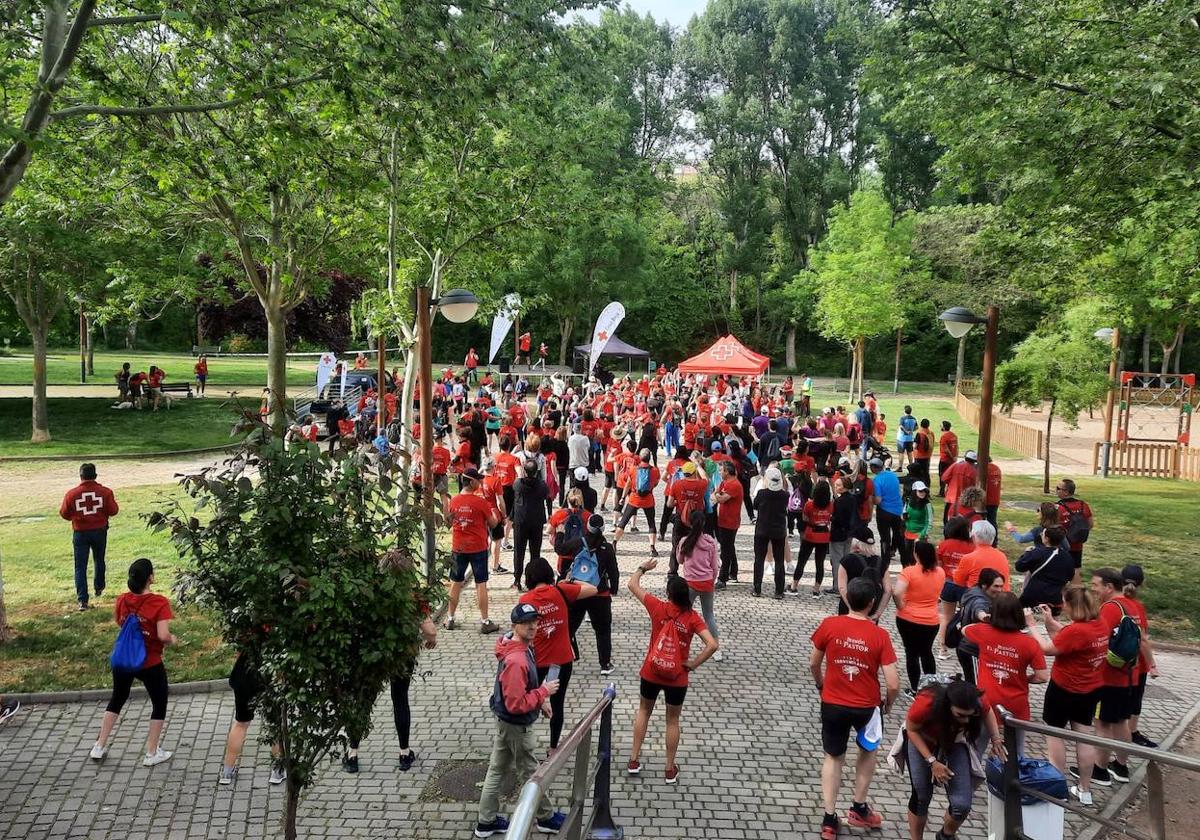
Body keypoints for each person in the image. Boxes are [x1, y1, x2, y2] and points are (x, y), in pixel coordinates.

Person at [810, 577, 900, 839]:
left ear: (847, 598)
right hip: (867, 706)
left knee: (833, 757)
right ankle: (859, 808)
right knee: (867, 753)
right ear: (872, 603)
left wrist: (821, 685)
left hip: (833, 703)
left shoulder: (829, 624)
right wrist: (887, 704)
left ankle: (829, 819)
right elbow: (893, 683)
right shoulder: (879, 635)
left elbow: (814, 663)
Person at [473, 604, 565, 838]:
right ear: (515, 625)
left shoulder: (517, 646)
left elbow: (521, 690)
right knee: (531, 774)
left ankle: (486, 821)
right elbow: (516, 703)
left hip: (506, 722)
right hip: (516, 725)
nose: (533, 626)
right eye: (527, 622)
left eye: (535, 621)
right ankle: (545, 817)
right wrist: (542, 693)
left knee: (497, 769)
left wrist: (539, 700)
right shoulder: (517, 660)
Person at [626, 558, 719, 783]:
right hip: (677, 677)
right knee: (672, 721)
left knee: (643, 711)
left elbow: (631, 585)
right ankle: (669, 768)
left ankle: (634, 760)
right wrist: (693, 664)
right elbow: (712, 644)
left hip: (651, 671)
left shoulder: (658, 607)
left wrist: (642, 568)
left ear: (668, 594)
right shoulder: (692, 618)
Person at [1025, 585, 1108, 805]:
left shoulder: (1077, 631)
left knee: (1055, 735)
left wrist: (1032, 625)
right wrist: (1050, 622)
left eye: (1065, 603)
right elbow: (1071, 640)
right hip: (1090, 690)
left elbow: (1047, 648)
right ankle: (1085, 789)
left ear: (1073, 606)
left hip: (1063, 690)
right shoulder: (1099, 625)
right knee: (1083, 736)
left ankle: (1057, 785)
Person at [88, 558, 176, 766]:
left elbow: (120, 621)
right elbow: (163, 635)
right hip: (150, 661)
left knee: (117, 698)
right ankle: (152, 752)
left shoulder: (122, 600)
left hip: (124, 659)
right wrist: (172, 639)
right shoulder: (159, 603)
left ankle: (99, 746)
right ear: (151, 578)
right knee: (159, 702)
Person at [904, 679, 1005, 840]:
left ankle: (945, 835)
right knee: (921, 795)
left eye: (969, 716)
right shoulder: (927, 702)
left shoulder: (977, 699)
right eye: (960, 715)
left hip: (954, 743)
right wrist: (932, 761)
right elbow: (911, 729)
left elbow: (988, 711)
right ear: (947, 705)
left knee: (962, 804)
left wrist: (996, 738)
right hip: (922, 741)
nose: (965, 720)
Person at [519, 558, 597, 751]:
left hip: (536, 662)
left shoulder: (526, 600)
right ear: (549, 574)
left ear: (529, 578)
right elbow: (592, 588)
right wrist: (569, 582)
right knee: (558, 703)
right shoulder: (562, 591)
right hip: (562, 661)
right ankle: (553, 747)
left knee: (527, 700)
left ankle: (522, 742)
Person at [1090, 566, 1157, 786]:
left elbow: (1098, 639)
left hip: (1109, 677)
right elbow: (1142, 639)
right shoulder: (1134, 606)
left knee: (1102, 725)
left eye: (1096, 585)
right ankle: (1121, 766)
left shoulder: (1110, 608)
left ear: (1109, 587)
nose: (1094, 590)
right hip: (1131, 675)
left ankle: (1099, 771)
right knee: (1121, 723)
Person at [962, 591, 1048, 749]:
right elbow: (1042, 676)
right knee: (1016, 751)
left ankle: (973, 773)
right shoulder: (1029, 644)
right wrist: (1024, 678)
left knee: (976, 748)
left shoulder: (983, 632)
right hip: (1016, 702)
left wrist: (988, 620)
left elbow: (965, 629)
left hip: (986, 700)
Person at [445, 468, 501, 633]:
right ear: (470, 482)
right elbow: (493, 524)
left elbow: (449, 522)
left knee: (456, 582)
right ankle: (485, 621)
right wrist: (494, 514)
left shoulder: (453, 501)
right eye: (478, 480)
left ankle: (450, 618)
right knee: (480, 583)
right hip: (478, 548)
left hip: (458, 548)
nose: (481, 482)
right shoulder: (480, 502)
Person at [218, 650, 286, 785]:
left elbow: (238, 651)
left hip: (243, 675)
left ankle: (227, 772)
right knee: (275, 724)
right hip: (268, 677)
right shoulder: (274, 631)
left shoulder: (244, 629)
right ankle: (277, 771)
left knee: (240, 723)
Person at [60, 463, 119, 611]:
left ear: (81, 477)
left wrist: (77, 518)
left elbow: (64, 513)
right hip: (99, 531)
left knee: (80, 566)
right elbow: (113, 510)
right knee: (99, 560)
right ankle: (99, 587)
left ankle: (82, 601)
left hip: (80, 533)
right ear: (95, 476)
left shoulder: (71, 494)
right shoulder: (105, 492)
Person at [568, 515, 620, 675]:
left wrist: (562, 534)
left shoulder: (578, 543)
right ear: (603, 529)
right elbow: (614, 572)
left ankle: (571, 654)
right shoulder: (608, 548)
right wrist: (613, 589)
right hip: (600, 593)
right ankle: (605, 664)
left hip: (579, 591)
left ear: (587, 527)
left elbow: (560, 550)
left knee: (569, 627)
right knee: (603, 630)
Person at [893, 541, 945, 696]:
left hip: (908, 619)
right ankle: (931, 688)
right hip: (931, 620)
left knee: (912, 653)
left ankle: (914, 689)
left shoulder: (909, 572)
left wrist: (900, 606)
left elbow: (897, 593)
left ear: (916, 554)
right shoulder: (940, 572)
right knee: (926, 652)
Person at [678, 510, 722, 662]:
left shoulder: (685, 541)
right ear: (704, 524)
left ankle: (680, 645)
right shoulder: (711, 543)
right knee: (709, 615)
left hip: (690, 583)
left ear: (689, 522)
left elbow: (679, 560)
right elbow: (715, 567)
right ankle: (715, 648)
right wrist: (712, 579)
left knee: (684, 614)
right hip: (707, 583)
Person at [953, 568, 1006, 683]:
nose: (1000, 590)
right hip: (972, 650)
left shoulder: (972, 591)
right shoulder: (980, 600)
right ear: (984, 585)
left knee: (973, 683)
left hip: (966, 647)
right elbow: (979, 610)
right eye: (996, 586)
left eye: (1001, 586)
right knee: (976, 687)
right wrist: (986, 617)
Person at [659, 460, 709, 576]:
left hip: (681, 518)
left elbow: (669, 504)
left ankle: (672, 571)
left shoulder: (677, 484)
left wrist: (680, 502)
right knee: (697, 544)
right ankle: (696, 570)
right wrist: (698, 466)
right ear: (694, 472)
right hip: (696, 519)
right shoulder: (701, 484)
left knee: (675, 545)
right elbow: (705, 477)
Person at [936, 517, 975, 659]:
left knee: (946, 616)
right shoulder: (971, 546)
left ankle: (942, 648)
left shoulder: (943, 545)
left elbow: (939, 566)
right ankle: (965, 647)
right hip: (965, 586)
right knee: (966, 617)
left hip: (947, 584)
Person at [836, 527, 893, 621]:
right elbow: (888, 590)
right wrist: (878, 613)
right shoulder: (880, 562)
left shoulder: (847, 560)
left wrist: (852, 609)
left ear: (857, 544)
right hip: (870, 609)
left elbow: (842, 588)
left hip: (848, 610)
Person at [613, 450, 661, 557]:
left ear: (640, 457)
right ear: (650, 458)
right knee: (651, 523)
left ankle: (614, 543)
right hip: (648, 500)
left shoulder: (633, 469)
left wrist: (623, 497)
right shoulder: (655, 471)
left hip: (634, 499)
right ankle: (652, 547)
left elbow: (628, 485)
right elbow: (656, 483)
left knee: (623, 522)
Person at [510, 459, 549, 590]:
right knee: (535, 552)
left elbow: (515, 487)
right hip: (536, 521)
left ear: (525, 471)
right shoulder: (542, 486)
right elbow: (546, 494)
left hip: (521, 521)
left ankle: (517, 579)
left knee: (518, 552)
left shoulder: (518, 484)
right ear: (536, 471)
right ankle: (533, 580)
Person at [1014, 526, 1074, 610]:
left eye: (1043, 534)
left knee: (1022, 615)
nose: (1041, 535)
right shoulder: (1067, 557)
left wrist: (1027, 553)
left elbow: (1019, 567)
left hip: (1033, 596)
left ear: (1046, 538)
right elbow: (1070, 576)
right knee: (1052, 620)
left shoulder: (1037, 552)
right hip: (1055, 598)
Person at [752, 467, 790, 599]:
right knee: (779, 560)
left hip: (762, 529)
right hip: (779, 530)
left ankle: (757, 588)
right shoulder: (785, 495)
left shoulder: (762, 493)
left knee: (759, 559)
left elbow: (755, 505)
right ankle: (779, 591)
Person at [792, 478, 833, 598]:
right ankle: (816, 590)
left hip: (810, 534)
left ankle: (794, 586)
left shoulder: (809, 504)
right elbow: (830, 517)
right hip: (824, 535)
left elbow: (804, 518)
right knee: (819, 563)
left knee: (802, 561)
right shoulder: (830, 505)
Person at [711, 460, 744, 588]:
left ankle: (722, 578)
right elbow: (717, 493)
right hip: (723, 520)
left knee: (725, 550)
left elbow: (720, 498)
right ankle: (733, 572)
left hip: (730, 521)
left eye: (721, 471)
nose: (720, 473)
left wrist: (716, 495)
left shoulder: (734, 485)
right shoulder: (725, 483)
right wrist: (717, 494)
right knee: (729, 547)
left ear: (727, 472)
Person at [953, 521, 1009, 592]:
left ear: (973, 537)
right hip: (1002, 597)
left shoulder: (969, 558)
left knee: (950, 584)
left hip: (978, 598)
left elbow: (958, 582)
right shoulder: (1002, 556)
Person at [1055, 478, 1094, 579]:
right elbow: (1090, 524)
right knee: (1076, 572)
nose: (1056, 490)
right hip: (1078, 545)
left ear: (1066, 492)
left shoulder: (1058, 507)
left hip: (1061, 546)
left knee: (1060, 574)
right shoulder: (1083, 505)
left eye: (1058, 488)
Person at [871, 457, 905, 564]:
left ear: (873, 468)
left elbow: (878, 499)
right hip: (897, 510)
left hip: (884, 511)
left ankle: (885, 562)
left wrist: (871, 500)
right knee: (898, 535)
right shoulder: (893, 475)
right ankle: (905, 559)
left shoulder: (877, 480)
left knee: (885, 538)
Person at [901, 480, 932, 568]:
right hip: (908, 534)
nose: (923, 493)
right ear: (915, 491)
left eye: (924, 491)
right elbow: (903, 514)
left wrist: (922, 535)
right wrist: (904, 516)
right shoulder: (908, 502)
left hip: (920, 535)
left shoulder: (927, 505)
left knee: (918, 559)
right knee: (907, 557)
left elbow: (929, 521)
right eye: (920, 491)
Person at [936, 421, 958, 497]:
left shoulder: (944, 437)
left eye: (941, 426)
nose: (940, 427)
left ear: (944, 427)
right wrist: (955, 457)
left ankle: (942, 492)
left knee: (942, 475)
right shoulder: (954, 435)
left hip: (944, 459)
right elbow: (956, 447)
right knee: (951, 476)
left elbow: (946, 449)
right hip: (952, 460)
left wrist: (952, 456)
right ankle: (950, 491)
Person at [896, 405, 918, 471]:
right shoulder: (913, 418)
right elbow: (917, 427)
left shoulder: (903, 418)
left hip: (902, 438)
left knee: (901, 453)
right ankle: (911, 467)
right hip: (910, 438)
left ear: (904, 411)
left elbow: (901, 426)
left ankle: (900, 467)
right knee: (910, 453)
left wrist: (906, 431)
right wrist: (911, 431)